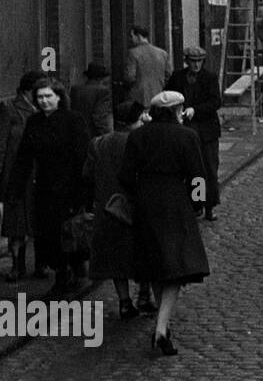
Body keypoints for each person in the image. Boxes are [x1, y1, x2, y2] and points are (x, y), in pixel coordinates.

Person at [118, 90, 210, 357]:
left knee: (157, 264)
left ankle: (164, 325)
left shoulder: (137, 136)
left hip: (145, 205)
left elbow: (125, 176)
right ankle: (160, 329)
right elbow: (197, 176)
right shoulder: (187, 136)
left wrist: (141, 194)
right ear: (176, 111)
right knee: (175, 268)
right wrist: (197, 205)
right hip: (175, 204)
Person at [4, 77, 91, 298]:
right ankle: (62, 273)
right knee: (48, 235)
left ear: (59, 97)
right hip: (44, 187)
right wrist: (15, 187)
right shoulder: (34, 122)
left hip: (70, 186)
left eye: (48, 97)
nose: (44, 101)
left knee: (69, 233)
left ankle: (69, 273)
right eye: (40, 97)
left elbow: (82, 157)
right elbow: (24, 157)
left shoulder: (73, 120)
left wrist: (82, 191)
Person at [84, 100, 146, 320]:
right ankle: (145, 295)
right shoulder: (141, 143)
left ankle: (124, 301)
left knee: (115, 258)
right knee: (142, 253)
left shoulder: (98, 143)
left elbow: (88, 175)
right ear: (134, 122)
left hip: (108, 209)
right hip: (136, 207)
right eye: (141, 119)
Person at [165, 47, 222, 221]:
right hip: (186, 131)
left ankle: (209, 206)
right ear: (186, 62)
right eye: (193, 61)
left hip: (206, 132)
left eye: (199, 61)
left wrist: (195, 110)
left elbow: (215, 102)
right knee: (194, 170)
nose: (196, 65)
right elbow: (168, 96)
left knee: (209, 169)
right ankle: (197, 204)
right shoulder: (178, 77)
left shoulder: (210, 78)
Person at [0, 70, 41, 281]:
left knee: (32, 220)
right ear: (29, 90)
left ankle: (32, 263)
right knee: (16, 222)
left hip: (35, 173)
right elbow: (2, 143)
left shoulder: (41, 108)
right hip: (15, 174)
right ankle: (17, 265)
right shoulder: (10, 109)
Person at [124, 26, 170, 108]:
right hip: (159, 96)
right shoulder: (163, 53)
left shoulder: (133, 53)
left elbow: (130, 77)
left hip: (139, 98)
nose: (130, 40)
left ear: (138, 36)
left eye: (132, 36)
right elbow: (168, 75)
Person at [71, 62, 113, 139]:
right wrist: (108, 137)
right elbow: (100, 117)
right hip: (93, 135)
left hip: (76, 133)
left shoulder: (75, 89)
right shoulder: (103, 91)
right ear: (99, 78)